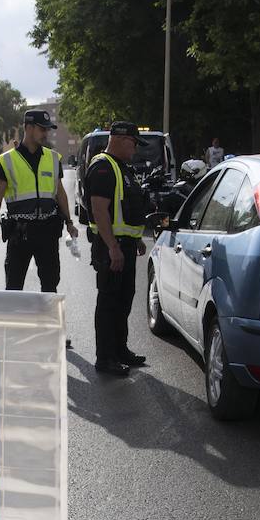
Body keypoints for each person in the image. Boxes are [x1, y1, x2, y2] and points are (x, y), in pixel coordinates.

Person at [85, 121, 151, 376]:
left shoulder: (122, 168)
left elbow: (125, 209)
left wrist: (136, 239)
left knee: (124, 301)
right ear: (122, 140)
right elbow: (100, 209)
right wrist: (113, 246)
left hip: (125, 246)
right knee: (109, 302)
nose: (135, 150)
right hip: (110, 247)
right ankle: (105, 358)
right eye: (134, 143)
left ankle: (120, 350)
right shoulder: (103, 167)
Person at [0, 108, 78, 293]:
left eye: (47, 129)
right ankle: (14, 322)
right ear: (28, 128)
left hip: (47, 232)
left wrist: (69, 221)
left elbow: (60, 193)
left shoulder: (52, 158)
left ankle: (47, 322)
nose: (46, 133)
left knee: (50, 285)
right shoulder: (8, 160)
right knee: (14, 287)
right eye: (42, 129)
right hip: (20, 233)